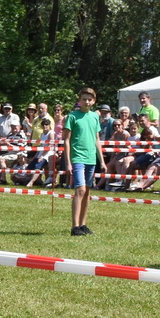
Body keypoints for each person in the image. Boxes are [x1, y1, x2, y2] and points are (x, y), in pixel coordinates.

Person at [65, 88, 101, 235]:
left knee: (87, 192)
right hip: (77, 157)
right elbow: (66, 140)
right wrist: (68, 161)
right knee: (80, 190)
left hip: (91, 159)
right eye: (84, 99)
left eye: (89, 99)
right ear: (80, 100)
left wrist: (102, 161)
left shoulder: (94, 117)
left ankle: (83, 224)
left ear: (93, 101)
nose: (87, 101)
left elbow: (97, 139)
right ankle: (75, 227)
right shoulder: (72, 116)